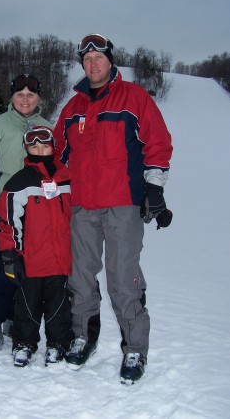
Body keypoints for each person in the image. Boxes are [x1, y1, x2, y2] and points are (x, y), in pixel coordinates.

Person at [53, 33, 173, 384]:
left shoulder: (133, 98)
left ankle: (135, 348)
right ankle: (82, 337)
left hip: (122, 204)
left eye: (99, 58)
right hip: (83, 207)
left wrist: (155, 188)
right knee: (80, 278)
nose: (93, 64)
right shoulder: (72, 108)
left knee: (122, 279)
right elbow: (58, 155)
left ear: (110, 61)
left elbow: (158, 143)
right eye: (86, 60)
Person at [0, 74, 51, 351]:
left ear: (38, 98)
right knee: (0, 270)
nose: (25, 98)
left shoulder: (45, 127)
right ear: (12, 97)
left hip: (32, 214)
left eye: (31, 94)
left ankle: (13, 318)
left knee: (24, 271)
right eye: (19, 94)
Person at [0, 126, 74, 367]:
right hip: (30, 261)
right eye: (34, 146)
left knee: (58, 306)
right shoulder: (20, 182)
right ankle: (24, 343)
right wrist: (11, 255)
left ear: (53, 147)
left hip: (61, 260)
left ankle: (58, 344)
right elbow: (8, 221)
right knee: (27, 305)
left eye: (45, 145)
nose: (40, 150)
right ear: (26, 149)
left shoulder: (66, 180)